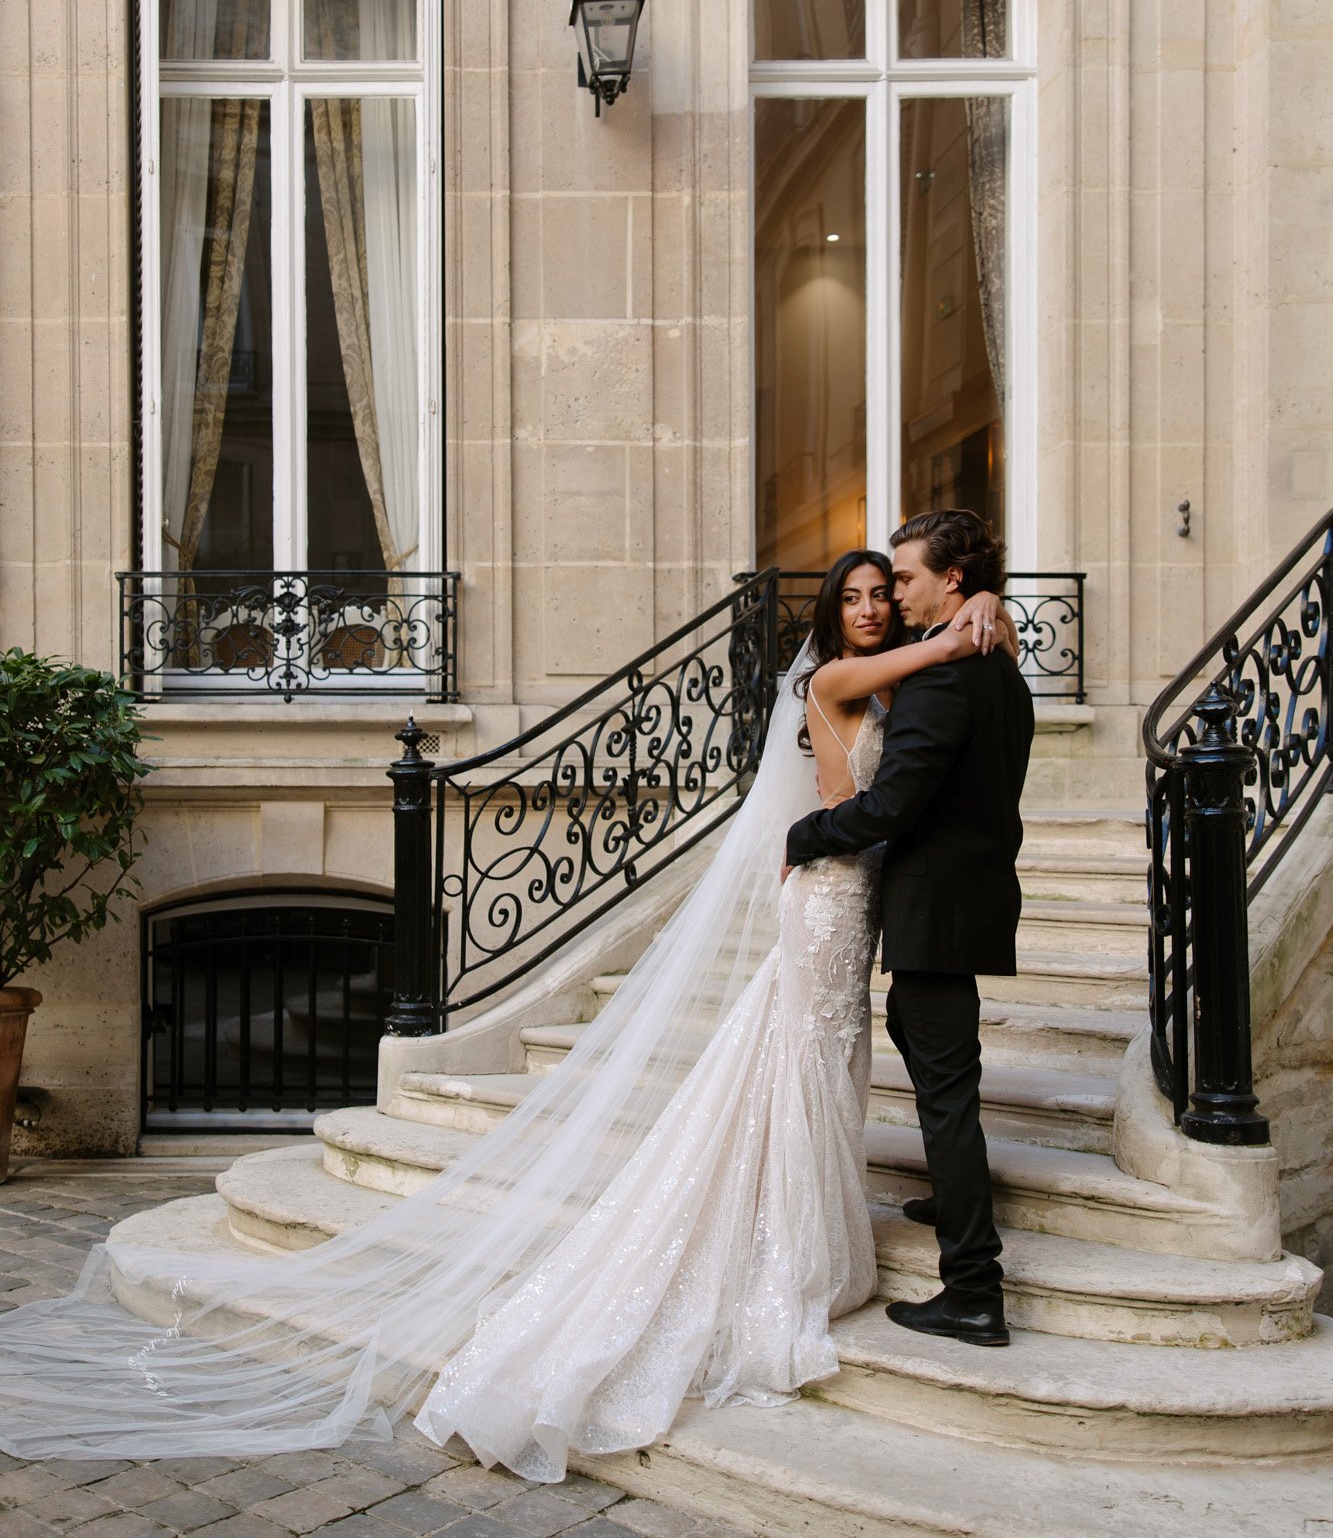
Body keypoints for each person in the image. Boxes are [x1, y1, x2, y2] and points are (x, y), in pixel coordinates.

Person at [0, 548, 1010, 1480]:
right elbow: (901, 712)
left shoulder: (902, 672)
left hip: (861, 894)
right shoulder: (835, 679)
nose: (876, 606)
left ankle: (817, 1217)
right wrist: (970, 617)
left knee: (822, 1061)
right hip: (828, 887)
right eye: (856, 594)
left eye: (888, 591)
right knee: (797, 1056)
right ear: (832, 611)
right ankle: (791, 1239)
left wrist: (974, 609)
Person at [785, 510, 1035, 1350]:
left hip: (935, 904)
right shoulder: (1001, 666)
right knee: (933, 1055)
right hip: (972, 893)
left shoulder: (937, 680)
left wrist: (805, 835)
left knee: (946, 1094)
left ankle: (972, 1290)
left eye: (902, 579)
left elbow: (890, 805)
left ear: (949, 581)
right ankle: (951, 1196)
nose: (892, 595)